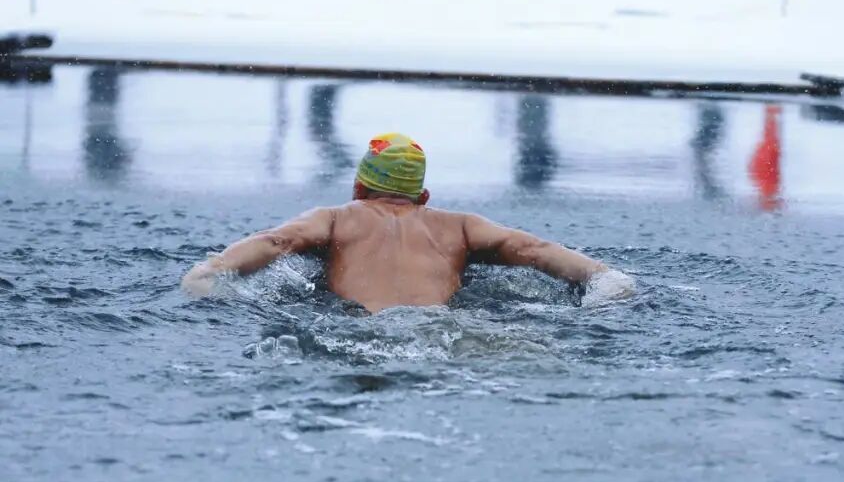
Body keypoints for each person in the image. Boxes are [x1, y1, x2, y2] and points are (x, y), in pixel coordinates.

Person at [181, 133, 633, 312]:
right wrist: (604, 276)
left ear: (358, 188)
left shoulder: (336, 219)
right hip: (448, 333)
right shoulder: (459, 226)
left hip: (363, 334)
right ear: (423, 196)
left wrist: (212, 270)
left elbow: (277, 242)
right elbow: (536, 250)